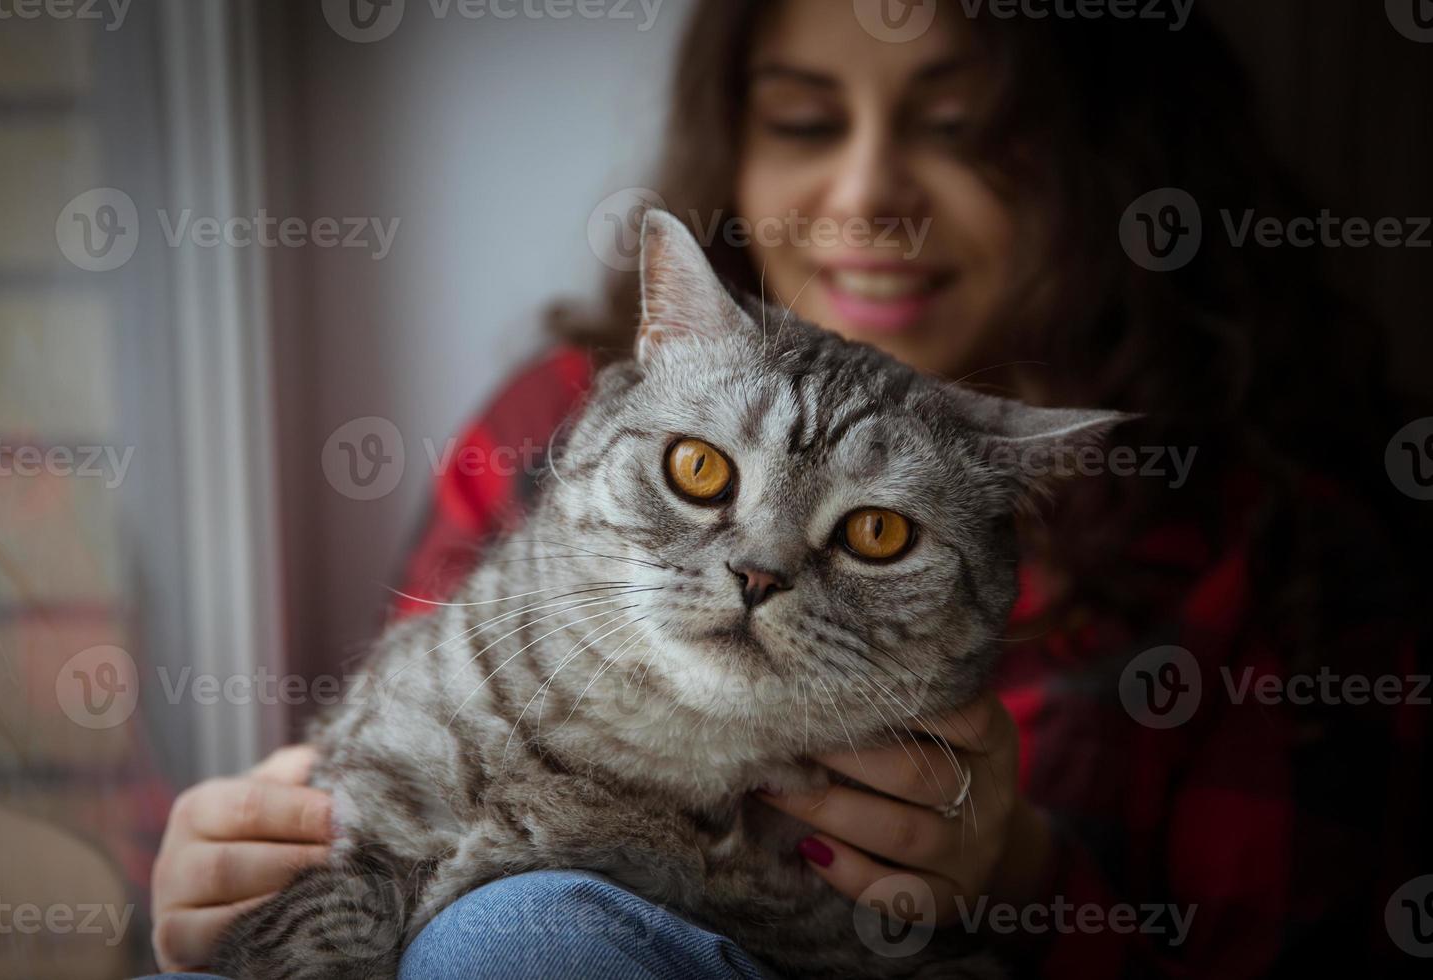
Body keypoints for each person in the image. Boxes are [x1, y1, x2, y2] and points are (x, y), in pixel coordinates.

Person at [147, 1, 1427, 976]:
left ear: (1108, 154)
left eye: (966, 130)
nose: (870, 196)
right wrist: (236, 874)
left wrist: (1022, 875)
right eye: (809, 120)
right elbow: (358, 784)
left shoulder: (1272, 550)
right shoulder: (560, 415)